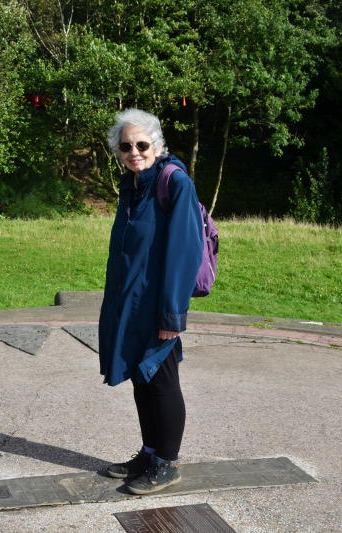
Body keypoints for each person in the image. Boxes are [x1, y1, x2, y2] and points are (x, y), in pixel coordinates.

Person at [98, 108, 204, 495]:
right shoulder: (133, 184)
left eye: (142, 144)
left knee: (161, 380)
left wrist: (173, 313)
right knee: (141, 379)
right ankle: (149, 452)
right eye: (126, 146)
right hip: (133, 301)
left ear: (157, 145)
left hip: (159, 303)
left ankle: (166, 463)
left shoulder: (174, 183)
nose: (134, 152)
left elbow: (184, 253)